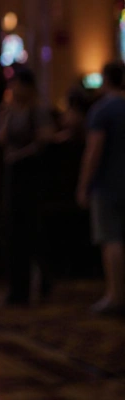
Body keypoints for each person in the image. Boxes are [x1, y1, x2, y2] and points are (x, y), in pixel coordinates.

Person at [0, 68, 55, 305]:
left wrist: (20, 154)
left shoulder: (38, 110)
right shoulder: (9, 111)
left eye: (17, 84)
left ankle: (39, 284)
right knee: (14, 233)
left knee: (32, 233)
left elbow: (47, 139)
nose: (13, 89)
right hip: (13, 176)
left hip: (32, 177)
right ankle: (17, 289)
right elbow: (0, 139)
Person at [78, 61, 125, 315]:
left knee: (111, 240)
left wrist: (83, 185)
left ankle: (116, 295)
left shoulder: (102, 110)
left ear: (105, 79)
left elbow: (93, 152)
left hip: (108, 184)